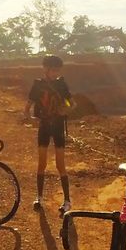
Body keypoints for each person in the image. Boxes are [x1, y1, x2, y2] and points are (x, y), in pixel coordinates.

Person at [25, 55, 74, 213]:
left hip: (58, 126)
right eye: (53, 70)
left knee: (61, 165)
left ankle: (67, 201)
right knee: (42, 164)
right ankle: (39, 198)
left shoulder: (61, 84)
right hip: (44, 126)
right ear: (45, 69)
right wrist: (30, 118)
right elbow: (28, 106)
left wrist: (64, 109)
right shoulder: (38, 85)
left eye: (57, 70)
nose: (55, 73)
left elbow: (71, 104)